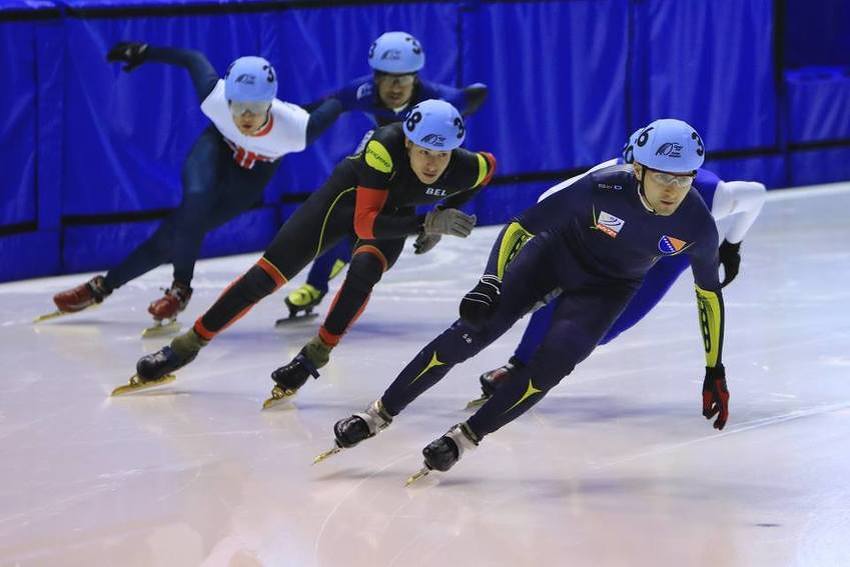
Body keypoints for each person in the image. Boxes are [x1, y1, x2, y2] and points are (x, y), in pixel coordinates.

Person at [322, 119, 730, 480]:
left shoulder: (696, 224)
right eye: (664, 177)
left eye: (684, 178)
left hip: (607, 289)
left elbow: (708, 295)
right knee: (472, 332)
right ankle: (377, 414)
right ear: (638, 169)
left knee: (552, 365)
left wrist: (715, 369)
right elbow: (521, 226)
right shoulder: (602, 187)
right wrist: (490, 281)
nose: (674, 189)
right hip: (553, 257)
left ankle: (464, 438)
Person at [125, 100, 497, 407]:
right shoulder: (385, 144)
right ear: (408, 145)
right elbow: (365, 223)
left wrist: (443, 215)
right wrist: (428, 225)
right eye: (424, 153)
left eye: (441, 155)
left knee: (364, 271)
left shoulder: (467, 166)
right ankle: (184, 348)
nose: (432, 165)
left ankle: (313, 357)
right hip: (344, 202)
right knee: (264, 278)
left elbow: (487, 169)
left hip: (395, 216)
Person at [45, 41, 342, 332]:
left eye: (256, 107)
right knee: (195, 201)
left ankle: (102, 287)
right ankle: (180, 289)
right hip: (217, 148)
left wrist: (382, 94)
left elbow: (344, 100)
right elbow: (193, 58)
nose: (246, 117)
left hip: (252, 175)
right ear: (227, 100)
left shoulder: (297, 129)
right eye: (238, 106)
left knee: (173, 236)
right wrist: (146, 52)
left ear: (271, 103)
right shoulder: (214, 96)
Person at [468, 132, 766, 407]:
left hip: (666, 256)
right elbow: (548, 201)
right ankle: (517, 366)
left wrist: (731, 245)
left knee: (603, 327)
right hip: (617, 243)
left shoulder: (713, 196)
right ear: (633, 170)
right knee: (570, 296)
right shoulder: (610, 178)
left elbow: (756, 194)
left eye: (674, 179)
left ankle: (525, 368)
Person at [283, 31, 488, 321]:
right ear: (374, 77)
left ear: (415, 78)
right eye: (386, 77)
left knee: (370, 228)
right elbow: (313, 110)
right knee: (345, 218)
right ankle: (315, 286)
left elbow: (475, 97)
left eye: (402, 78)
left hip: (414, 174)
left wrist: (439, 218)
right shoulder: (362, 91)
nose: (394, 87)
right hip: (381, 158)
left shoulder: (442, 100)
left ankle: (326, 287)